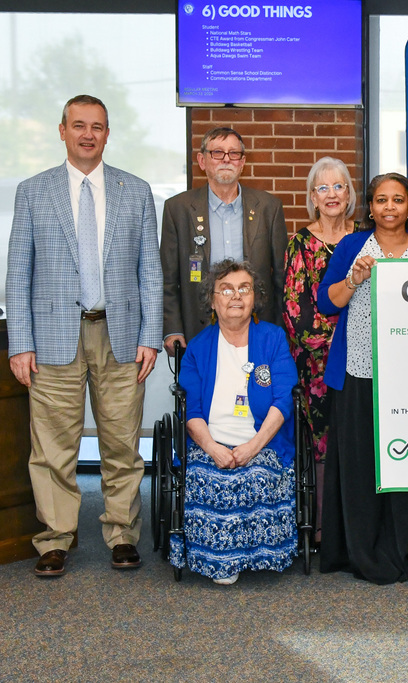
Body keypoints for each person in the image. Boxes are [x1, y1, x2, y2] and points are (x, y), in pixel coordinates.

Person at [6, 94, 161, 577]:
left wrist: (150, 336)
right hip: (53, 336)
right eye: (78, 125)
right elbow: (18, 271)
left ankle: (122, 534)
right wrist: (20, 342)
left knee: (122, 443)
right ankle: (55, 539)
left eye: (97, 126)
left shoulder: (135, 191)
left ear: (108, 134)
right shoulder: (34, 191)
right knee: (52, 447)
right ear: (63, 131)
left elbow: (149, 271)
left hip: (120, 334)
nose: (88, 134)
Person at [317, 173, 408, 585]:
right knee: (363, 468)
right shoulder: (351, 246)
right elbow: (326, 302)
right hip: (360, 371)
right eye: (381, 200)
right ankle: (364, 549)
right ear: (370, 207)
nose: (389, 207)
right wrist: (354, 279)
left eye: (397, 200)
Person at [170, 260, 299, 584]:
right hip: (209, 442)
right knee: (207, 477)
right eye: (226, 290)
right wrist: (214, 449)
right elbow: (192, 410)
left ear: (255, 298)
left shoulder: (272, 339)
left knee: (257, 475)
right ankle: (222, 561)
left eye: (244, 289)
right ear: (213, 301)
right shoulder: (199, 347)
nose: (236, 297)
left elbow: (283, 399)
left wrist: (253, 447)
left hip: (262, 441)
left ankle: (255, 556)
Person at [283, 156, 358, 539]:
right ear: (312, 196)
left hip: (365, 359)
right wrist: (337, 340)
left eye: (339, 186)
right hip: (317, 363)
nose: (332, 194)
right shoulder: (300, 242)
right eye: (323, 187)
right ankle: (323, 525)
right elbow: (295, 310)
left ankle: (356, 523)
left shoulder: (365, 238)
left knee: (359, 439)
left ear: (349, 193)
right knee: (322, 443)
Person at [161, 126, 287, 353]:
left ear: (242, 162)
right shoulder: (177, 209)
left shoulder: (269, 208)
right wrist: (172, 328)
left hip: (256, 327)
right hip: (197, 330)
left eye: (234, 153)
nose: (226, 159)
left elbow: (281, 277)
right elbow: (168, 279)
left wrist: (278, 328)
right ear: (202, 160)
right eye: (217, 153)